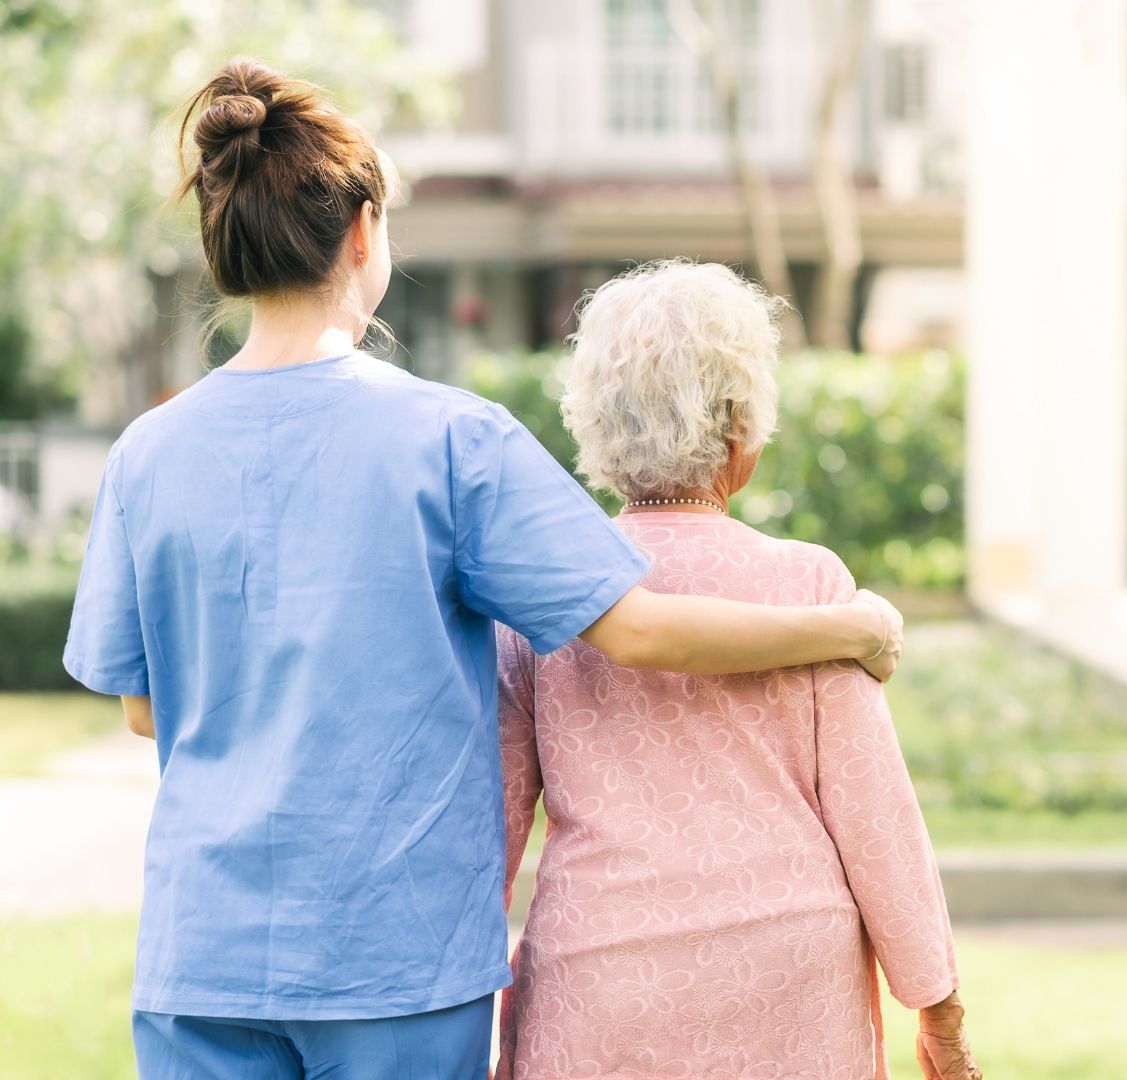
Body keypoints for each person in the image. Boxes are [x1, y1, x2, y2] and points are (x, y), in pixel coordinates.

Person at [61, 59, 904, 1080]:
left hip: (202, 960)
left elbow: (145, 710)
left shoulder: (146, 453)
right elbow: (638, 629)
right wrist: (847, 629)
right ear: (363, 231)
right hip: (398, 967)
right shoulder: (451, 441)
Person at [495, 261, 980, 1080]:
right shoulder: (811, 587)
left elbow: (491, 828)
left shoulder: (544, 598)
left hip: (602, 974)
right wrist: (940, 1013)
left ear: (598, 425)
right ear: (739, 428)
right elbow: (878, 818)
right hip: (791, 974)